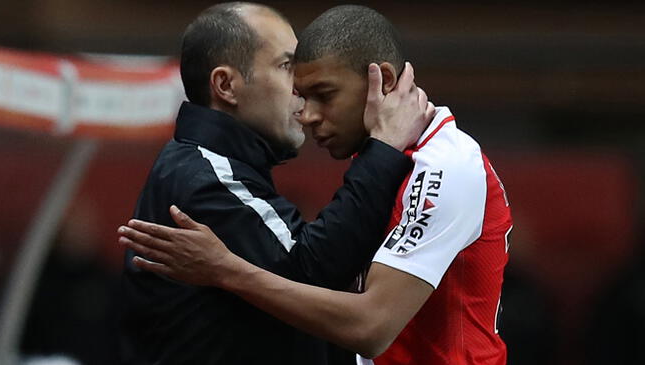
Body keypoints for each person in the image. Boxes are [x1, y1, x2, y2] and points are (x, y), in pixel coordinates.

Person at [119, 5, 513, 365]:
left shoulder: (444, 165)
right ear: (225, 85)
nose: (305, 111)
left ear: (383, 81)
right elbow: (312, 274)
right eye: (288, 69)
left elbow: (368, 326)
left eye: (322, 94)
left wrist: (226, 269)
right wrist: (381, 153)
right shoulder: (204, 176)